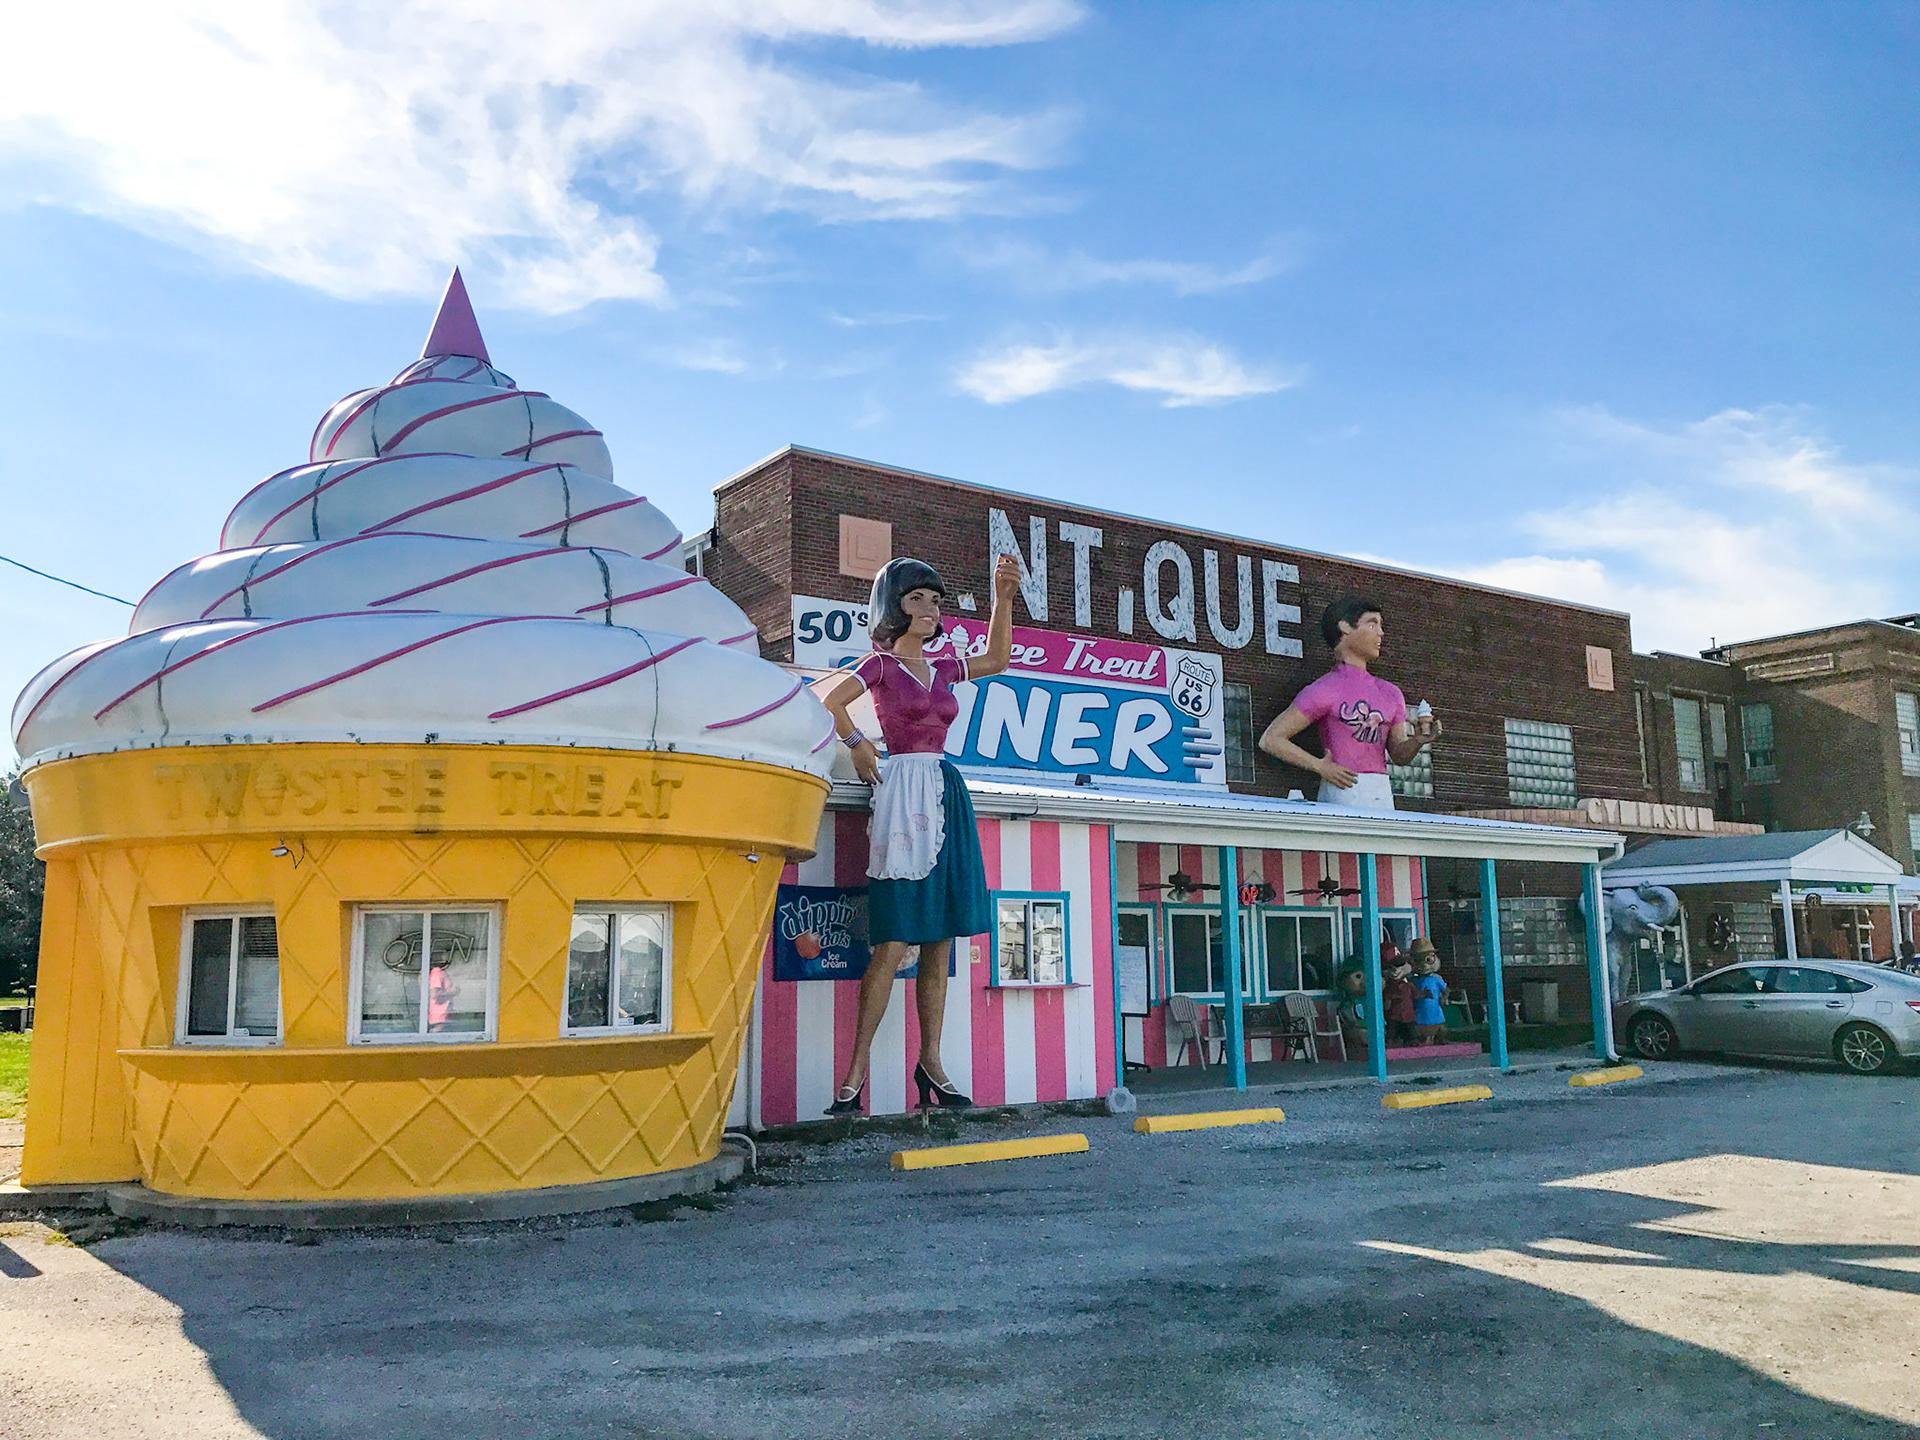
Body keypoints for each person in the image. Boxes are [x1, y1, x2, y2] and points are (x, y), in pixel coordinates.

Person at [816, 552, 1022, 1114]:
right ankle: (853, 1074)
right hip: (901, 790)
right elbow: (827, 700)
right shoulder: (879, 667)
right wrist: (857, 743)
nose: (930, 609)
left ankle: (931, 1061)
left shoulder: (948, 667)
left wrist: (1003, 598)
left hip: (945, 789)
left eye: (935, 600)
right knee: (892, 940)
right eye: (917, 599)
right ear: (893, 607)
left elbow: (999, 659)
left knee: (941, 939)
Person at [1257, 596, 1440, 809]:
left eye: (1380, 625)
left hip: (1381, 792)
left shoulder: (1391, 693)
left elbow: (1398, 754)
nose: (1380, 633)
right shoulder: (1325, 688)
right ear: (1345, 627)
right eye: (1372, 624)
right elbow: (1271, 739)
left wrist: (1418, 740)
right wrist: (1320, 767)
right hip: (1340, 791)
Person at [1410, 942, 1448, 1045]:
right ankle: (1419, 1039)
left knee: (1440, 1027)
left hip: (1434, 1010)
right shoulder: (1413, 980)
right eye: (1417, 961)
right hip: (1419, 1010)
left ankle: (1439, 1038)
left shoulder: (1435, 979)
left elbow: (1445, 989)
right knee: (1415, 1027)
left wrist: (1444, 998)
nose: (1423, 965)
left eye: (1428, 960)